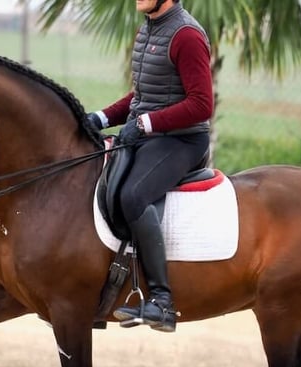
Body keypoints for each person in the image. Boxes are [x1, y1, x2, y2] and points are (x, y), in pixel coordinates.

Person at [86, 0, 213, 334]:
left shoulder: (186, 35)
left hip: (183, 142)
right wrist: (99, 117)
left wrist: (144, 124)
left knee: (133, 196)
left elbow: (201, 105)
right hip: (153, 136)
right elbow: (144, 94)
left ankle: (162, 301)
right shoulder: (148, 29)